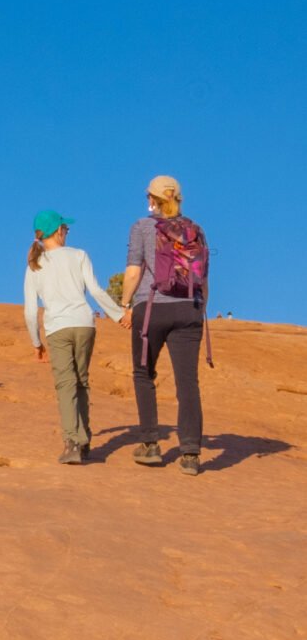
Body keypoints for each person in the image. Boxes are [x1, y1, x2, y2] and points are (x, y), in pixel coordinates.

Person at [118, 175, 210, 474]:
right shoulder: (195, 229)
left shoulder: (142, 227)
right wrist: (200, 308)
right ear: (178, 198)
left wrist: (125, 304)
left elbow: (133, 271)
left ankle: (149, 444)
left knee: (143, 372)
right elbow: (204, 279)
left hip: (152, 307)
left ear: (151, 199)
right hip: (189, 308)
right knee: (188, 382)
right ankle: (191, 453)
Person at [23, 209, 123, 464]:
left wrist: (37, 342)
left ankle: (72, 443)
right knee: (81, 381)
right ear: (58, 231)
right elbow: (96, 291)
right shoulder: (79, 255)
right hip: (84, 324)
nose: (67, 232)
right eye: (66, 229)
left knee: (66, 385)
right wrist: (119, 315)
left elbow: (31, 310)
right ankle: (84, 438)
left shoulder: (35, 265)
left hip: (57, 328)